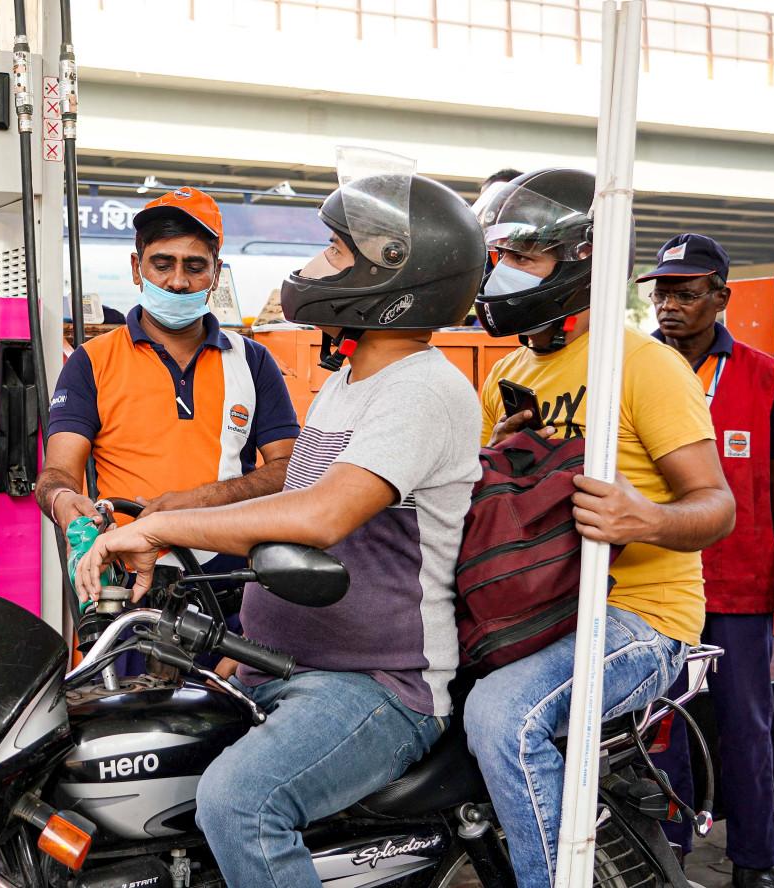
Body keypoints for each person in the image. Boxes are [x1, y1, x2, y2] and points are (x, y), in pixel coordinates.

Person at [76, 171, 487, 888]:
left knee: (240, 803)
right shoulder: (349, 381)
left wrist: (166, 525)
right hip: (284, 667)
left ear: (393, 274)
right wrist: (250, 648)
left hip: (378, 687)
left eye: (334, 249)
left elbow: (323, 517)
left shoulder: (421, 389)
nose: (314, 266)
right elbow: (288, 519)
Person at [465, 169, 736, 888]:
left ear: (582, 257)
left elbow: (716, 506)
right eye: (500, 257)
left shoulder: (645, 365)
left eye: (523, 257)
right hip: (544, 610)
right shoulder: (507, 374)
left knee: (502, 717)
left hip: (643, 620)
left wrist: (642, 517)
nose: (503, 275)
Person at [642, 233, 774, 888]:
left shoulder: (762, 373)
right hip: (653, 583)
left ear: (721, 297)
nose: (668, 306)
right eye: (661, 293)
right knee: (661, 732)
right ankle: (668, 854)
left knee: (747, 728)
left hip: (739, 583)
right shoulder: (631, 367)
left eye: (685, 293)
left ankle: (755, 861)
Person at [35, 187, 299, 538]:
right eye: (162, 264)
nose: (177, 281)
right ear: (136, 267)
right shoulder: (92, 361)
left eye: (195, 267)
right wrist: (63, 500)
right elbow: (57, 472)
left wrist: (204, 499)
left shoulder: (252, 361)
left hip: (226, 570)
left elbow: (289, 469)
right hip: (124, 572)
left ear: (216, 274)